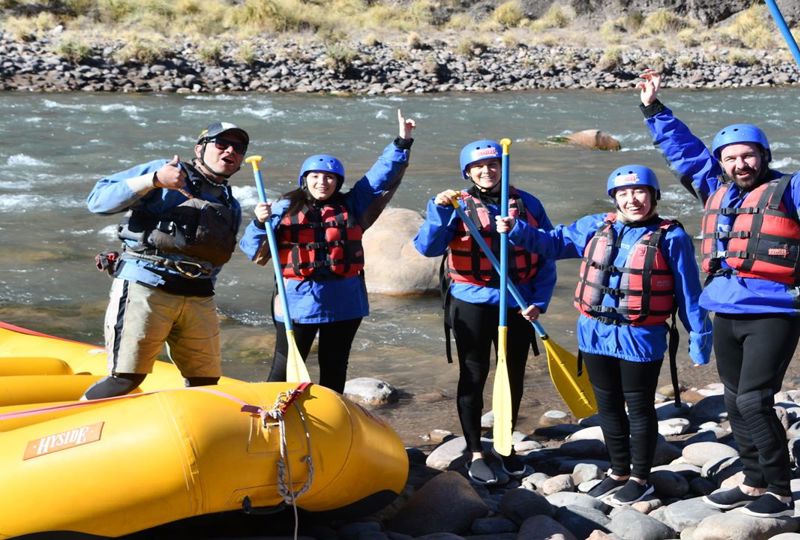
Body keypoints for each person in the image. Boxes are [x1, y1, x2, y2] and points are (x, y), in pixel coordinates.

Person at [638, 70, 800, 518]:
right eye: (731, 158)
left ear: (763, 157)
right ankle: (754, 480)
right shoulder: (714, 186)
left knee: (756, 400)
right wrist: (654, 110)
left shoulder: (792, 190)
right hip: (725, 308)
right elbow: (685, 150)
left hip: (773, 311)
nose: (740, 164)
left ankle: (780, 489)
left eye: (748, 156)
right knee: (734, 400)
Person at [496, 165, 712, 506]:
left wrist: (699, 339)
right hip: (594, 333)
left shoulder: (672, 238)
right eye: (623, 194)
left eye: (640, 192)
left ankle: (641, 478)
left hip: (640, 336)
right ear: (614, 199)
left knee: (640, 409)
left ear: (654, 195)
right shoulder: (596, 226)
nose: (632, 199)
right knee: (607, 407)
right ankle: (618, 472)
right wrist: (516, 230)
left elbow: (689, 292)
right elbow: (553, 243)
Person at [238, 110, 416, 392]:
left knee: (334, 367)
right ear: (304, 180)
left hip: (344, 302)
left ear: (338, 181)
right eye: (316, 176)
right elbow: (251, 248)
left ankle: (329, 423)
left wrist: (401, 143)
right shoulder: (284, 208)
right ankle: (271, 417)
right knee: (283, 368)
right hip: (297, 302)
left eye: (330, 177)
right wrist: (260, 222)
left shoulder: (353, 205)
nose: (323, 182)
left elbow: (380, 176)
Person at [413, 139, 557, 485]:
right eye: (478, 167)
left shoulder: (527, 203)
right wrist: (438, 209)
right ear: (468, 172)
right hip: (471, 299)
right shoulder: (456, 205)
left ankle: (505, 446)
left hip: (517, 301)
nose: (487, 171)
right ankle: (476, 451)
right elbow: (427, 247)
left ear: (502, 168)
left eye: (493, 165)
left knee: (513, 376)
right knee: (473, 376)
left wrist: (540, 300)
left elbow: (547, 251)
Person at [84, 122, 249, 399]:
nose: (229, 151)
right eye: (221, 144)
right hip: (147, 286)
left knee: (205, 382)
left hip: (199, 296)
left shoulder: (230, 203)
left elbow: (215, 255)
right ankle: (75, 428)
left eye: (238, 148)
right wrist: (154, 180)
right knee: (124, 379)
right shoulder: (166, 171)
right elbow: (97, 201)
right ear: (200, 148)